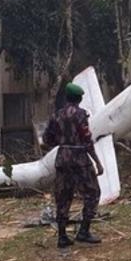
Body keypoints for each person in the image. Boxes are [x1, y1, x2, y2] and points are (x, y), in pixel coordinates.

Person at [42, 83, 103, 248]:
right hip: (79, 159)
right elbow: (86, 138)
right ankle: (84, 231)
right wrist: (97, 161)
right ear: (79, 99)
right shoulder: (81, 115)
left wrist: (62, 144)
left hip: (62, 159)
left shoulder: (57, 115)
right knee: (93, 192)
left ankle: (62, 236)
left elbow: (46, 139)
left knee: (63, 197)